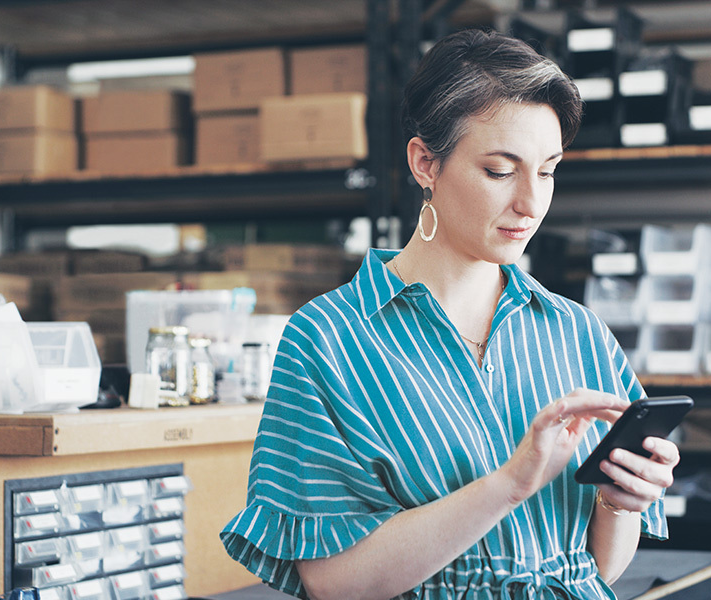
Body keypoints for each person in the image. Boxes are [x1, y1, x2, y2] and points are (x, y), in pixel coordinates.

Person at [221, 28, 680, 600]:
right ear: (424, 163)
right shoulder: (328, 340)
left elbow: (597, 570)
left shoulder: (576, 333)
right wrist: (509, 485)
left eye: (547, 170)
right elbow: (334, 584)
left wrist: (619, 500)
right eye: (499, 171)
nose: (532, 204)